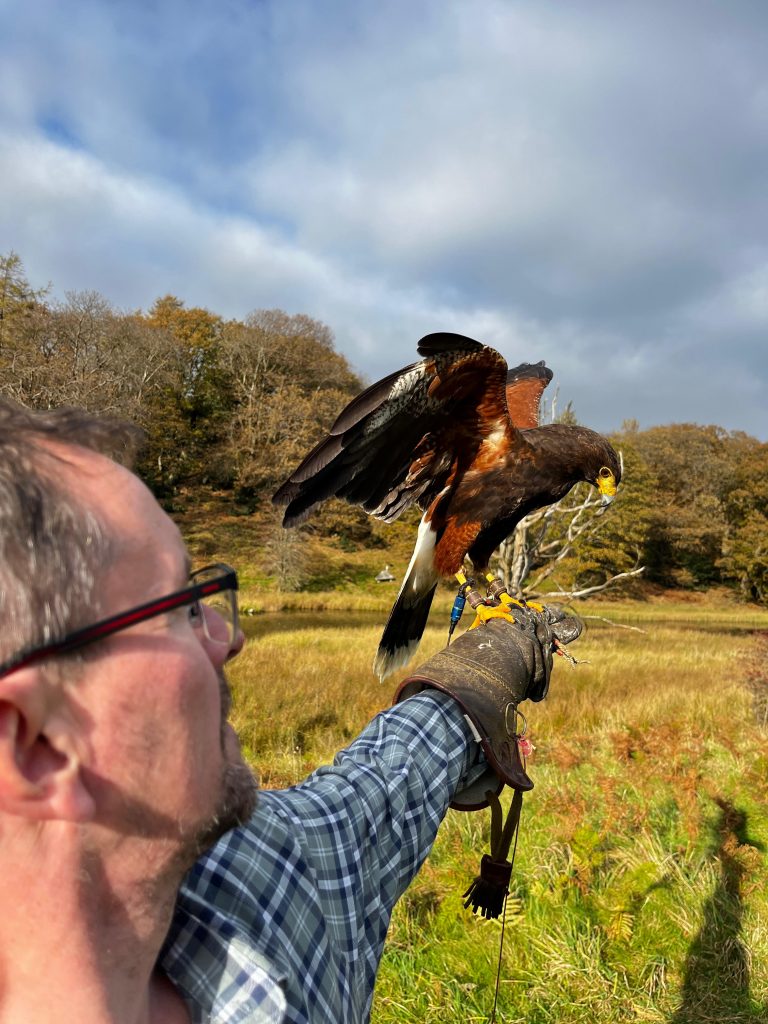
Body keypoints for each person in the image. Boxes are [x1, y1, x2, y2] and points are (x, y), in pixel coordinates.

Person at [0, 400, 578, 1024]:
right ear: (36, 745)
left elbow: (374, 797)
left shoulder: (255, 873)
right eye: (178, 608)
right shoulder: (264, 882)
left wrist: (473, 680)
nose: (229, 637)